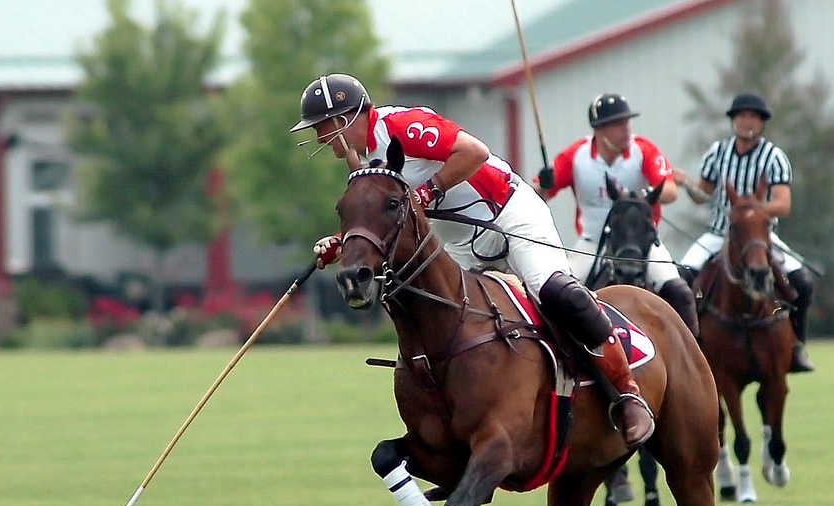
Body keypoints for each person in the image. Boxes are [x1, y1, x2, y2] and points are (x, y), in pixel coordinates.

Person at [290, 74, 654, 447]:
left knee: (556, 292)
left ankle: (628, 395)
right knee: (450, 326)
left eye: (322, 127)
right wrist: (342, 243)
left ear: (345, 119)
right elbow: (380, 218)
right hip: (460, 242)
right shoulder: (360, 159)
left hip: (507, 214)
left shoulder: (402, 127)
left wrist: (428, 191)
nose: (320, 138)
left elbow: (474, 151)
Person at [532, 92, 698, 336]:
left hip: (642, 245)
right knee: (556, 295)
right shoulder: (575, 156)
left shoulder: (644, 150)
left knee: (680, 292)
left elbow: (670, 191)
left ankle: (695, 359)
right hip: (590, 244)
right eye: (619, 124)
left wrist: (641, 195)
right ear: (600, 129)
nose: (626, 129)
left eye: (627, 122)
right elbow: (537, 194)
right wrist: (543, 184)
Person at [674, 92, 814, 372]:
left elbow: (783, 203)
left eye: (753, 117)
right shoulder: (717, 152)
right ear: (734, 121)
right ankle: (688, 347)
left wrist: (752, 211)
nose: (747, 122)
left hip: (760, 236)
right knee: (682, 278)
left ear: (761, 123)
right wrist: (687, 185)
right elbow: (703, 195)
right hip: (718, 233)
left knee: (802, 282)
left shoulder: (773, 156)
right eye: (742, 116)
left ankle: (796, 346)